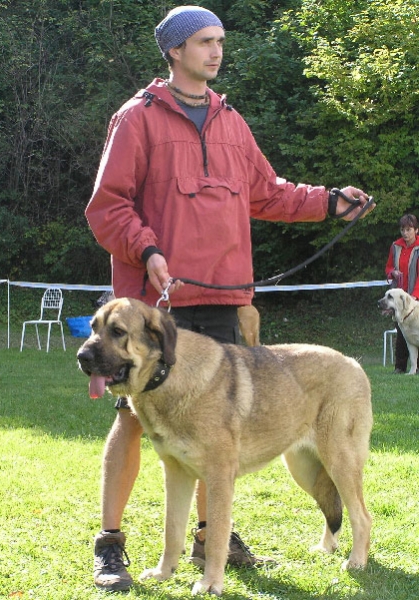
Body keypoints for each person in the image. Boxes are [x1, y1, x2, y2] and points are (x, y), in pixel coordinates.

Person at [84, 5, 374, 592]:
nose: (217, 51)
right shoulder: (136, 118)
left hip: (222, 296)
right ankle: (110, 544)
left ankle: (209, 540)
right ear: (175, 50)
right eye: (204, 42)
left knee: (216, 430)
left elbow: (267, 193)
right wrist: (147, 250)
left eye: (220, 41)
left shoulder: (230, 120)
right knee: (135, 424)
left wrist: (327, 202)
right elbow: (107, 206)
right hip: (153, 300)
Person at [385, 214, 419, 373]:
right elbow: (388, 267)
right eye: (403, 229)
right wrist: (393, 273)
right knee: (401, 332)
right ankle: (400, 367)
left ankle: (416, 368)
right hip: (399, 298)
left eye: (409, 229)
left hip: (415, 297)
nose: (405, 233)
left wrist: (415, 295)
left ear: (416, 230)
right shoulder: (395, 246)